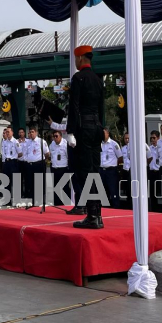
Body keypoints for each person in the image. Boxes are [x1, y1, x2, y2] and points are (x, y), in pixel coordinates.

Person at [66, 45, 105, 229]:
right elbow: (102, 108)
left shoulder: (78, 78)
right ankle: (98, 214)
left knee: (84, 172)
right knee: (95, 171)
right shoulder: (98, 79)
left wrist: (70, 131)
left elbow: (74, 107)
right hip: (97, 127)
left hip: (84, 128)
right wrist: (102, 127)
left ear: (81, 58)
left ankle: (91, 216)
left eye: (76, 58)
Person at [99, 128, 123, 209]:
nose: (102, 135)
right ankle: (105, 209)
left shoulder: (114, 144)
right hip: (102, 170)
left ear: (108, 134)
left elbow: (120, 157)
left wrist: (113, 164)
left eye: (104, 133)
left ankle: (116, 208)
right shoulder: (100, 144)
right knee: (103, 192)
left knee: (113, 190)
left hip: (111, 170)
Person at [49, 130, 70, 206]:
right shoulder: (52, 144)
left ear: (60, 136)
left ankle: (67, 204)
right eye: (54, 136)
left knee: (65, 188)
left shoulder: (65, 144)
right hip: (54, 168)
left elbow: (68, 157)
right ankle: (57, 204)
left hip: (63, 168)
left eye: (56, 136)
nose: (55, 138)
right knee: (55, 188)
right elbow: (50, 155)